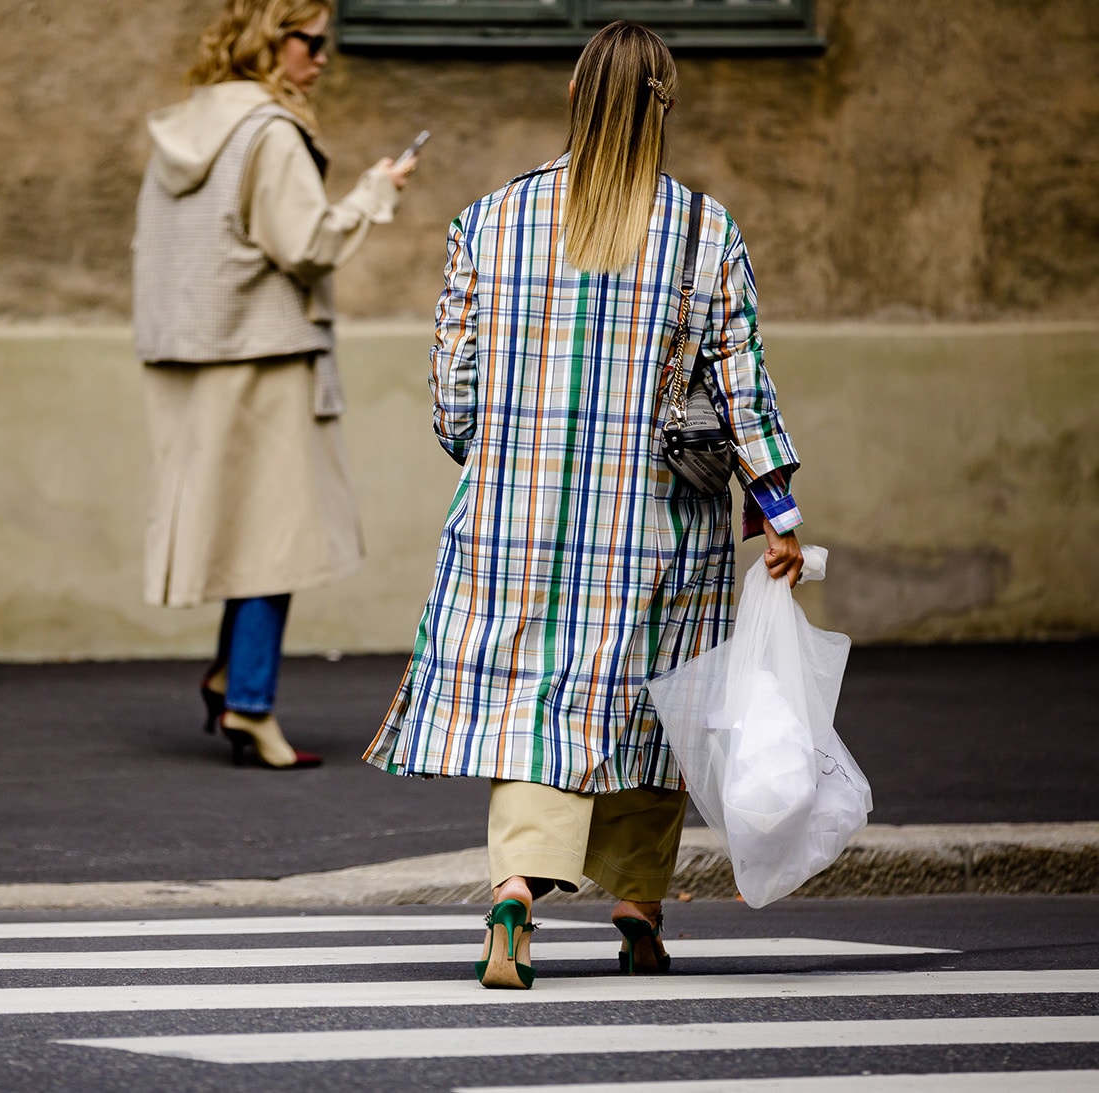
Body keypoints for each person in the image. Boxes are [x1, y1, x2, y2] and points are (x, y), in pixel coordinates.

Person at [363, 20, 805, 988]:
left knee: (536, 702)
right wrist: (776, 508)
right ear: (665, 108)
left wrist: (495, 457)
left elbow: (453, 392)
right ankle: (639, 910)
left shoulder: (488, 221)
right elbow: (741, 384)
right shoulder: (704, 231)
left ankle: (515, 892)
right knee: (655, 702)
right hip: (658, 524)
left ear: (572, 95)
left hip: (515, 518)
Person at [132, 0, 416, 770]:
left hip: (194, 351)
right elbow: (307, 244)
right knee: (276, 536)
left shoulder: (188, 128)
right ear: (270, 39)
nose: (322, 57)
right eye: (310, 41)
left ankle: (234, 678)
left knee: (246, 527)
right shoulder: (270, 132)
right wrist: (375, 192)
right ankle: (249, 703)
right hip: (267, 355)